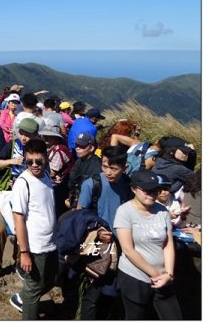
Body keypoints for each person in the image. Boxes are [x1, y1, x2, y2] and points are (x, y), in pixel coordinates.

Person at [114, 169, 182, 320]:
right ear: (134, 189)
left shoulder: (162, 211)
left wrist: (168, 274)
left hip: (164, 277)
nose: (151, 195)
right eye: (146, 190)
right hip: (135, 276)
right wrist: (155, 274)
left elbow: (168, 244)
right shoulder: (124, 212)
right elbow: (128, 250)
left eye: (155, 191)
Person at [75, 146, 133, 320]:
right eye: (105, 166)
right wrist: (97, 232)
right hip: (99, 245)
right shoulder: (92, 184)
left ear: (125, 168)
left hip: (120, 246)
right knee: (93, 293)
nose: (108, 172)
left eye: (114, 168)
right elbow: (80, 216)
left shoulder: (128, 184)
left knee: (110, 293)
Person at [9, 138, 58, 320]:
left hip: (51, 242)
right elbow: (18, 219)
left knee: (51, 279)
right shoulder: (23, 183)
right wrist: (24, 252)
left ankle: (22, 298)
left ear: (46, 158)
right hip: (36, 246)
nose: (35, 165)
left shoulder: (46, 176)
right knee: (34, 287)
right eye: (30, 162)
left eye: (39, 161)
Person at [0, 118, 39, 280]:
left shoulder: (39, 151)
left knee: (21, 231)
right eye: (22, 133)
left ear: (35, 135)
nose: (23, 137)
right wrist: (12, 161)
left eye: (28, 135)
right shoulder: (12, 146)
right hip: (8, 194)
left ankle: (18, 261)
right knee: (0, 229)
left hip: (29, 196)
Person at [66, 133, 102, 209]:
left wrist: (76, 206)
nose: (77, 148)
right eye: (77, 145)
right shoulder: (79, 161)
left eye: (82, 146)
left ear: (91, 148)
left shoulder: (97, 166)